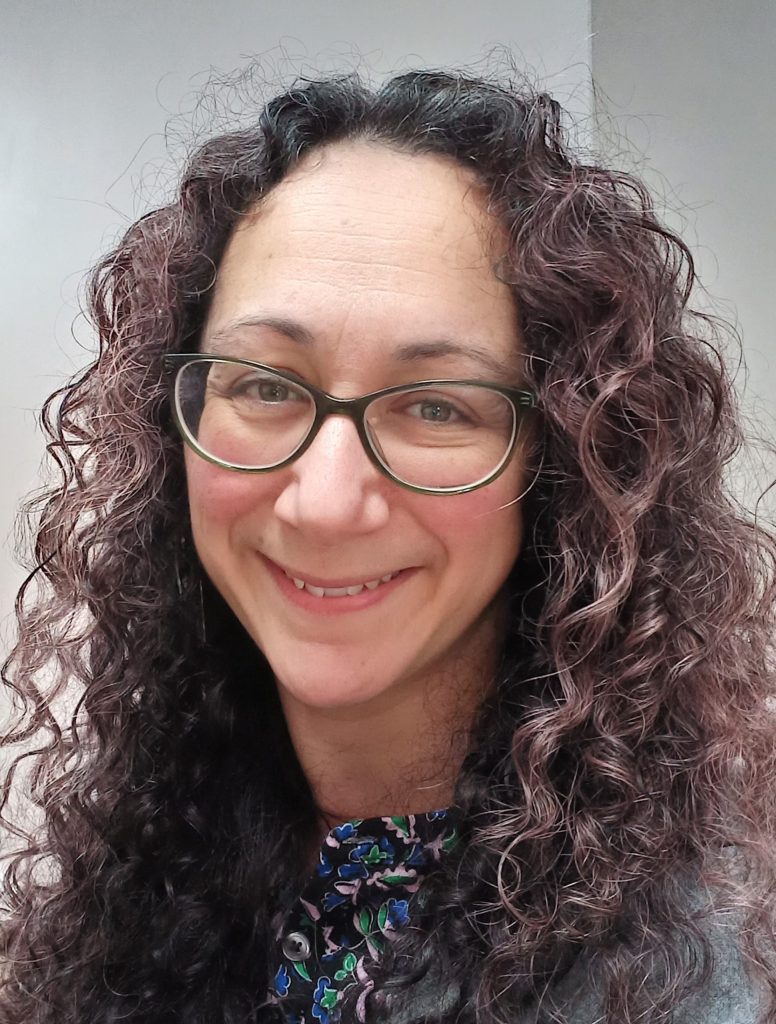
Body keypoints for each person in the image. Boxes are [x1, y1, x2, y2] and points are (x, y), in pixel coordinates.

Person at [1, 69, 775, 1024]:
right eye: (263, 385)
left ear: (570, 462)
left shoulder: (711, 967)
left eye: (437, 405)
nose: (325, 503)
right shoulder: (144, 879)